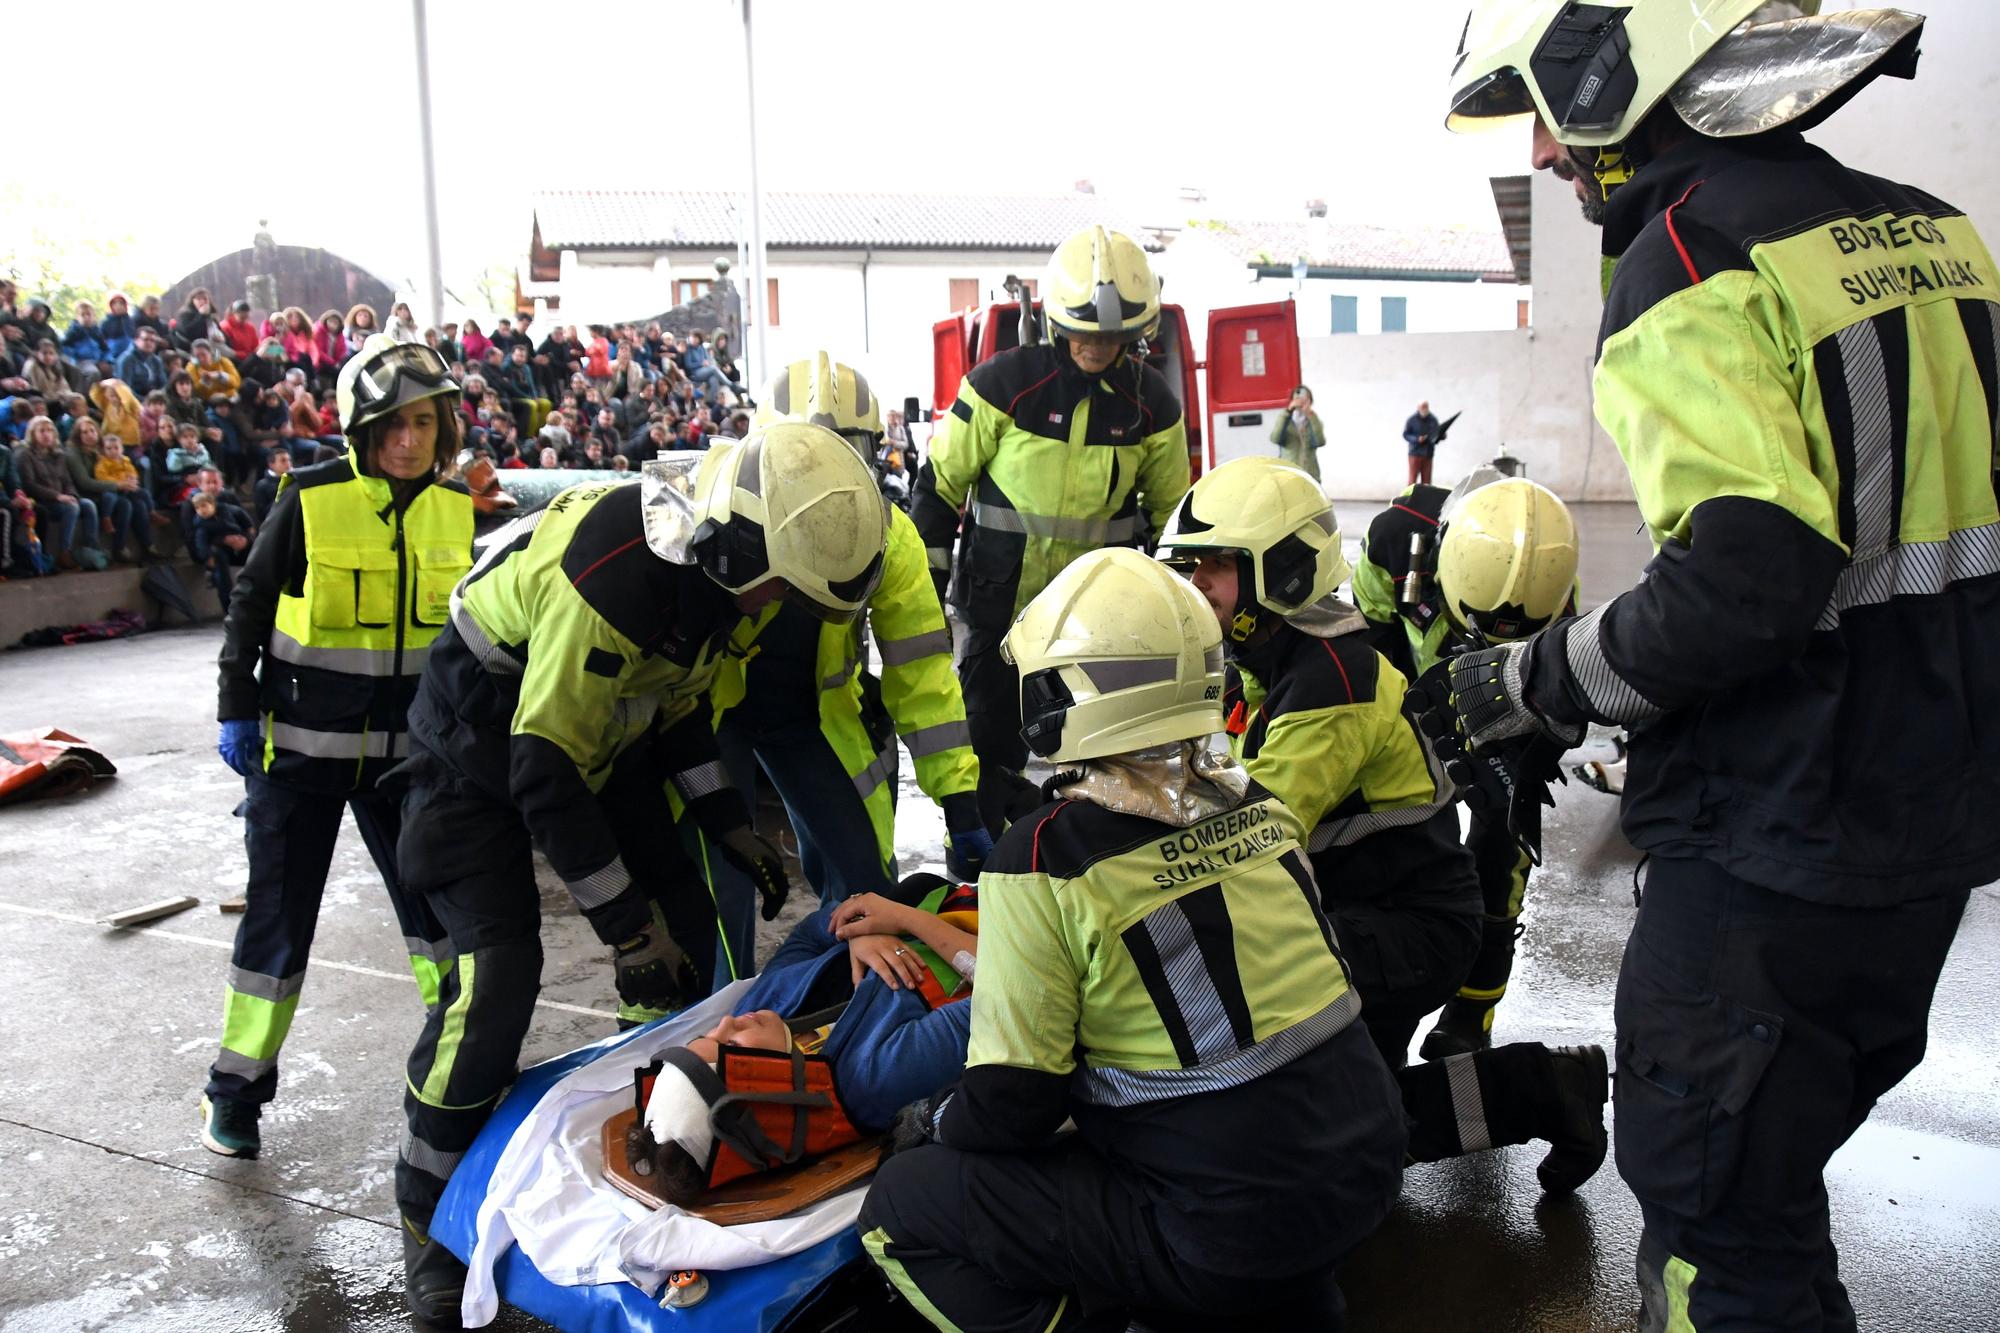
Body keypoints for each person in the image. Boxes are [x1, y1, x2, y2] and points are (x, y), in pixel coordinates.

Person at [1439, 4, 1995, 1328]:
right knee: (1771, 1188)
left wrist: (1533, 681)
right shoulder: (1932, 232)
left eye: (1546, 112)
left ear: (1619, 77)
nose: (1544, 151)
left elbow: (1744, 583)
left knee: (1715, 1225)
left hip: (1778, 839)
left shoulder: (1691, 256)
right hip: (1927, 829)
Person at [389, 421, 889, 1322]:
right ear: (740, 550)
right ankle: (428, 1215)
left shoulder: (719, 579)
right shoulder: (616, 581)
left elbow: (674, 713)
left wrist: (729, 825)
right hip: (472, 754)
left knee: (686, 931)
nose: (781, 605)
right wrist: (626, 932)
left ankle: (643, 1126)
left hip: (592, 746)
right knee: (495, 979)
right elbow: (542, 771)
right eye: (781, 586)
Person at [861, 547, 1406, 1331]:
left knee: (901, 1207)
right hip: (1367, 1169)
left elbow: (1013, 1108)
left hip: (1226, 1228)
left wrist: (934, 1121)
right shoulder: (1263, 806)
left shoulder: (1041, 858)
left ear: (1058, 697)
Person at [1157, 456, 1606, 1182]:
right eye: (1189, 565)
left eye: (1216, 565)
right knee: (1337, 1113)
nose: (1195, 583)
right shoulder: (1272, 662)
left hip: (1403, 930)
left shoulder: (1330, 683)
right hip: (1362, 916)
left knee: (1307, 1134)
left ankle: (1536, 1092)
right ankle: (1546, 1091)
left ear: (1284, 574)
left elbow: (1241, 842)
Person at [198, 335, 472, 1163]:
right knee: (277, 931)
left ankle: (459, 1074)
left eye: (424, 423)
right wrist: (235, 705)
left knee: (440, 925)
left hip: (407, 766)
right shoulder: (310, 498)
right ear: (362, 428)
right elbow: (249, 606)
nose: (408, 441)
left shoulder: (455, 507)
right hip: (298, 760)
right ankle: (235, 1093)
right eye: (392, 425)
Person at [684, 355, 986, 990]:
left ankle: (842, 1014)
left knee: (868, 891)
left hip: (811, 722)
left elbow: (922, 676)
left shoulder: (890, 539)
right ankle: (707, 1027)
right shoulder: (707, 511)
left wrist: (961, 802)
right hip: (706, 722)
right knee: (716, 893)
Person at [912, 225, 1191, 834]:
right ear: (1058, 322)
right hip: (999, 613)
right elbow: (937, 491)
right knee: (989, 752)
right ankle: (983, 860)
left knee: (1103, 764)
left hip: (1099, 627)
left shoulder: (1152, 405)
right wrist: (926, 593)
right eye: (1086, 332)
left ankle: (1089, 865)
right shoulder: (1001, 385)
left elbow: (1173, 518)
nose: (1097, 345)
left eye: (1112, 336)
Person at [1352, 474, 1580, 1056]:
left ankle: (1472, 1014)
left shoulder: (1558, 596)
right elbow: (1365, 652)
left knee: (1502, 850)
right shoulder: (1392, 544)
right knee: (1390, 841)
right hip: (1410, 692)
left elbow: (1558, 700)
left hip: (1509, 704)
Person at [631, 872, 978, 1206]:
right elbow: (1002, 990)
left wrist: (856, 933)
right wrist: (904, 920)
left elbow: (808, 936)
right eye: (731, 1046)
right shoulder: (876, 1077)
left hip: (951, 905)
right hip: (986, 933)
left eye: (708, 1034)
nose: (726, 1022)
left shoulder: (760, 1008)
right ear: (769, 1095)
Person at [12, 415, 99, 570]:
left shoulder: (58, 455)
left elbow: (67, 481)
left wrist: (72, 495)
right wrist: (58, 496)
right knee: (72, 508)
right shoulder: (25, 455)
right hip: (43, 500)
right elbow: (30, 485)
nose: (47, 434)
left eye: (50, 430)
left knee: (88, 505)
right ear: (33, 434)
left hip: (62, 498)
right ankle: (64, 552)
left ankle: (91, 549)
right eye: (42, 431)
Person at [1270, 384, 1326, 480]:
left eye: (1305, 399)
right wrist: (1288, 411)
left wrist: (1310, 415)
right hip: (1289, 474)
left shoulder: (1314, 421)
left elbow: (1320, 441)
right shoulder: (1285, 420)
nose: (1300, 401)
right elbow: (1275, 438)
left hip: (1310, 474)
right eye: (1297, 398)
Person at [1403, 399, 1441, 487]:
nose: (1424, 409)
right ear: (1418, 407)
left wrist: (1441, 436)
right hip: (1415, 454)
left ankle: (1425, 496)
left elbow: (1435, 436)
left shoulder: (1433, 419)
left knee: (1427, 481)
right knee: (1412, 480)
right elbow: (1406, 434)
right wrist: (1417, 439)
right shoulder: (1411, 420)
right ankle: (1411, 496)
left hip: (1428, 454)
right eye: (1422, 407)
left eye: (1426, 407)